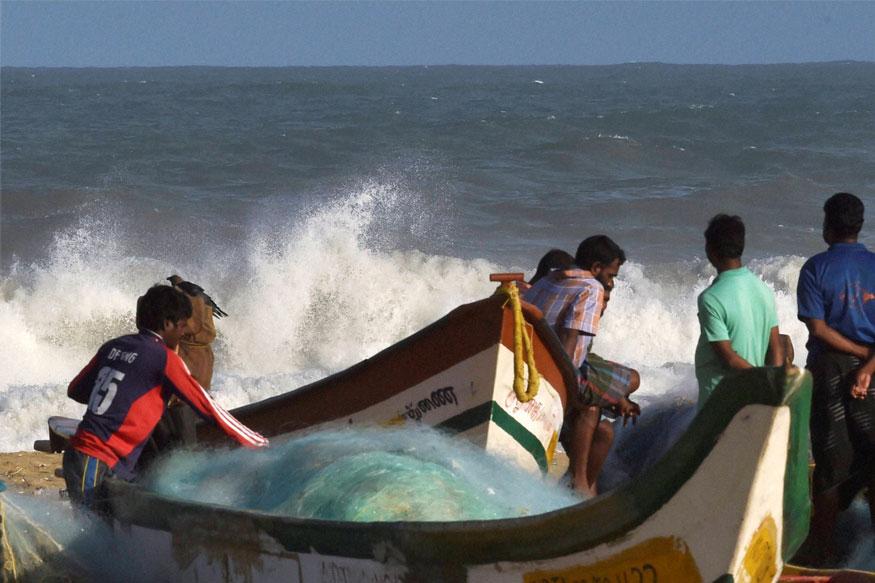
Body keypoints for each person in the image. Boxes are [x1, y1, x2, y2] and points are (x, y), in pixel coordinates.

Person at [62, 285, 268, 511]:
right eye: (181, 326)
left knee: (99, 531)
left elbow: (76, 390)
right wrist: (256, 442)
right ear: (168, 323)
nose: (182, 334)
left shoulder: (114, 346)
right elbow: (207, 407)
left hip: (84, 455)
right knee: (92, 534)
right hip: (97, 460)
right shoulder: (164, 358)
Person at [524, 237, 638, 495]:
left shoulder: (548, 279)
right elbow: (570, 338)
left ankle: (577, 485)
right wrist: (568, 387)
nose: (611, 282)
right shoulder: (591, 288)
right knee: (631, 381)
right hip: (556, 374)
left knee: (605, 431)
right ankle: (579, 483)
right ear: (596, 267)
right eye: (610, 274)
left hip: (534, 368)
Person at [796, 192, 875, 563]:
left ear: (828, 226)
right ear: (859, 226)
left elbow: (818, 328)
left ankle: (821, 548)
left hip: (829, 369)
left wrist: (860, 358)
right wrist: (869, 365)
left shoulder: (815, 268)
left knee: (829, 459)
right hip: (873, 369)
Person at [694, 214, 783, 408]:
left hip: (718, 401)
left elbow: (729, 359)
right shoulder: (763, 290)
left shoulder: (711, 298)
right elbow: (775, 347)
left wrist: (763, 384)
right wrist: (772, 384)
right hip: (751, 400)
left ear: (710, 250)